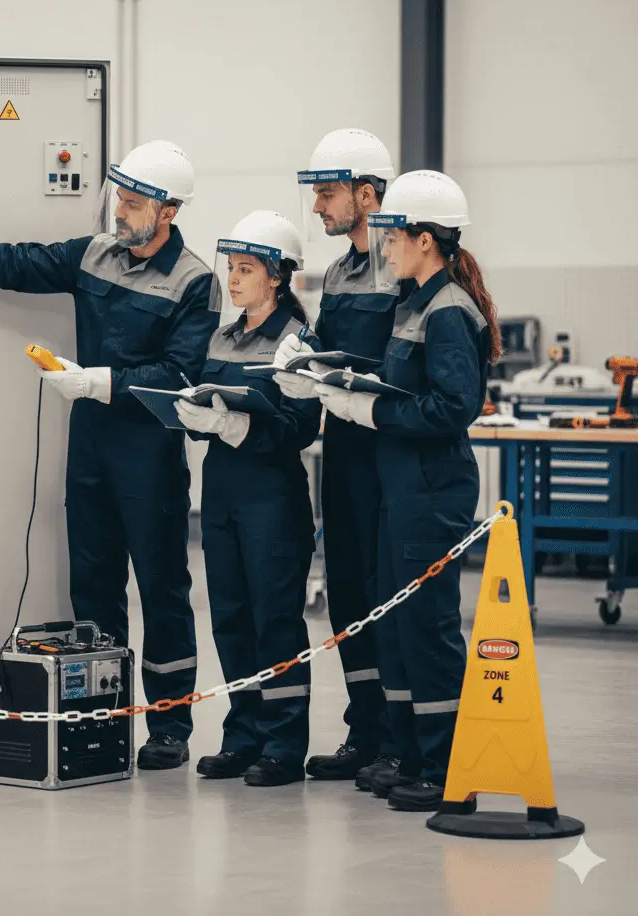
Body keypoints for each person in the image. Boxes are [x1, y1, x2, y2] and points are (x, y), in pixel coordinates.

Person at [0, 141, 217, 771]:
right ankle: (103, 713)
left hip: (148, 452)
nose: (120, 209)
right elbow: (17, 262)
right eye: (119, 196)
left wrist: (99, 382)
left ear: (167, 212)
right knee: (94, 586)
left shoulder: (195, 281)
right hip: (90, 446)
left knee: (162, 587)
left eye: (134, 202)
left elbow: (181, 373)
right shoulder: (94, 254)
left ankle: (170, 725)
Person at [313, 170, 500, 812]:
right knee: (395, 626)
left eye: (393, 237)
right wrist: (339, 375)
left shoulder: (449, 310)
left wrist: (373, 414)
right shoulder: (414, 301)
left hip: (430, 490)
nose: (384, 248)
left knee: (427, 628)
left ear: (424, 240)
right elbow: (400, 375)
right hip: (402, 489)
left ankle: (448, 768)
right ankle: (413, 753)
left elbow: (452, 406)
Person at [174, 211, 322, 786]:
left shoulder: (298, 344)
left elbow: (302, 427)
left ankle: (284, 743)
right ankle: (243, 735)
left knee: (275, 621)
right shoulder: (222, 334)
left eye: (245, 270)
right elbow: (207, 403)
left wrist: (240, 429)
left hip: (272, 499)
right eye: (230, 268)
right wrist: (194, 416)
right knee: (231, 618)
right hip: (223, 496)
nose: (232, 280)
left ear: (277, 278)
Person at [272, 129, 398, 785]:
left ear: (367, 193)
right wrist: (302, 359)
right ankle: (365, 729)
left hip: (390, 452)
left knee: (389, 593)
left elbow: (404, 362)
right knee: (348, 590)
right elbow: (333, 342)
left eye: (327, 194)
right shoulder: (344, 271)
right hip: (343, 449)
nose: (318, 208)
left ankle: (401, 740)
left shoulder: (402, 268)